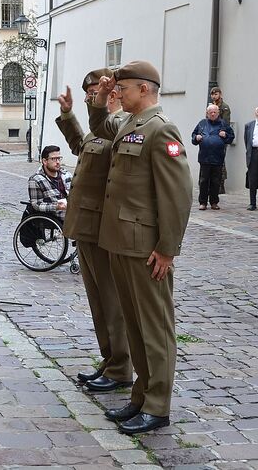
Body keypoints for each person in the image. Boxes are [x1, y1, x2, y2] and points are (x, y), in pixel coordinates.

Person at [88, 61, 192, 436]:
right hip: (119, 241)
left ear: (144, 89)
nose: (118, 94)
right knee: (134, 326)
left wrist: (167, 249)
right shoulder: (130, 124)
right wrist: (100, 98)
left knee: (155, 329)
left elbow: (178, 194)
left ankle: (158, 406)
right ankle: (141, 396)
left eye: (124, 89)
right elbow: (99, 125)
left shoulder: (161, 129)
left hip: (146, 247)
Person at [55, 71, 132, 393]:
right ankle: (109, 360)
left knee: (111, 301)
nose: (90, 97)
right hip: (85, 226)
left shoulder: (121, 126)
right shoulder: (100, 129)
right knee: (98, 301)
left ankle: (121, 367)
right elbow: (80, 146)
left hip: (103, 226)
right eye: (88, 93)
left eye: (94, 92)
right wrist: (68, 115)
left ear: (112, 93)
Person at [191, 104, 234, 210]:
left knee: (216, 181)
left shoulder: (223, 124)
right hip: (204, 157)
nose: (213, 114)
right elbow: (193, 136)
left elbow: (231, 137)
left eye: (215, 112)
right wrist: (196, 137)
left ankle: (214, 202)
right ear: (207, 113)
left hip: (218, 157)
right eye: (211, 112)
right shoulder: (202, 123)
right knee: (203, 181)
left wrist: (225, 135)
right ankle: (203, 202)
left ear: (218, 113)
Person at [27, 145, 73, 222]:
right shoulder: (36, 180)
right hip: (57, 216)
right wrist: (56, 206)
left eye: (59, 158)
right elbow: (37, 204)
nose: (58, 162)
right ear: (45, 161)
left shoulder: (66, 174)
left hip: (73, 212)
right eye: (54, 159)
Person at [210, 86, 231, 194]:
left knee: (220, 160)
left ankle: (220, 184)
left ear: (220, 94)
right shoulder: (211, 106)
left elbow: (225, 123)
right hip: (211, 137)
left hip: (220, 137)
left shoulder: (224, 107)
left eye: (216, 94)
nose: (214, 96)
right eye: (212, 94)